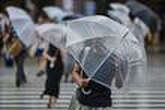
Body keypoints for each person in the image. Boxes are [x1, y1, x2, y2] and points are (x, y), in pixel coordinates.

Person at [40, 44, 64, 108]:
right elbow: (44, 53)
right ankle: (50, 100)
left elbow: (64, 55)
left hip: (59, 66)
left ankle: (54, 102)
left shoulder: (61, 44)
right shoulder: (48, 43)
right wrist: (51, 58)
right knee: (50, 82)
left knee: (56, 83)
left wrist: (62, 50)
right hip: (50, 66)